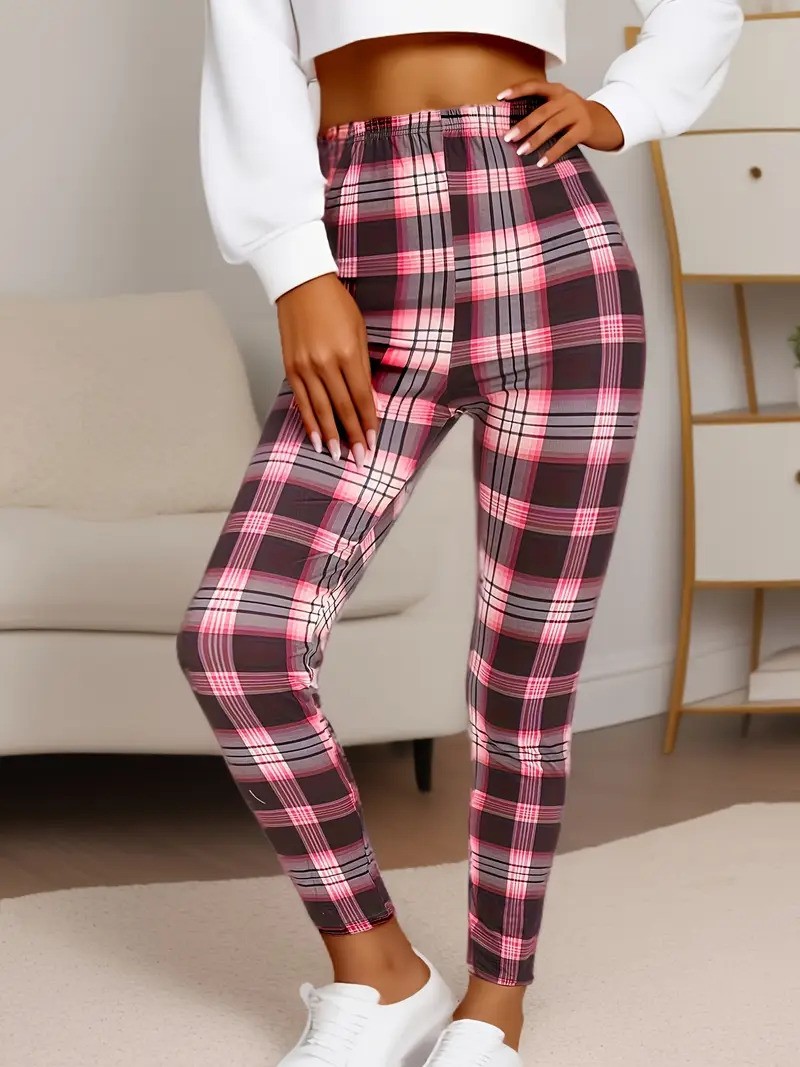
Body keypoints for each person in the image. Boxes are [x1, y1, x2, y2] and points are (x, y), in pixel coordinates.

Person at [178, 3, 743, 1064]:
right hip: (359, 250)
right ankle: (381, 973)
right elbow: (249, 49)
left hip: (553, 247)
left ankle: (494, 1004)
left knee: (525, 679)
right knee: (236, 638)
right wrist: (296, 268)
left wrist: (624, 106)